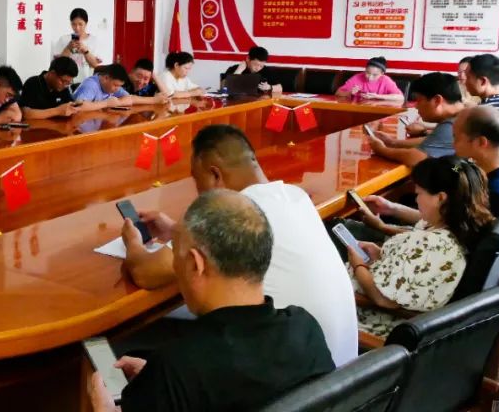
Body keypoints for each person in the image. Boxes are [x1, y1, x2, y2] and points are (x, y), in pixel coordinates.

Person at [121, 124, 357, 367]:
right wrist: (175, 231)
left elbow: (145, 273)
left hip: (289, 377)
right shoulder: (294, 196)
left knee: (158, 326)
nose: (198, 192)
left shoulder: (231, 212)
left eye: (197, 180)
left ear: (215, 175)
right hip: (343, 373)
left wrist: (132, 241)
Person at [90, 190, 334, 412]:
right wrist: (158, 386)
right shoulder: (306, 330)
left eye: (176, 256)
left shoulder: (178, 369)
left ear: (195, 264)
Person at [347, 156, 494, 338]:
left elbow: (382, 299)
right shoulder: (452, 228)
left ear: (440, 198)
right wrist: (381, 255)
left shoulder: (434, 245)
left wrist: (358, 264)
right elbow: (411, 268)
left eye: (419, 194)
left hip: (368, 319)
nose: (416, 200)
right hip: (372, 294)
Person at [366, 72, 463, 167]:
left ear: (437, 100)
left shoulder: (455, 124)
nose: (416, 106)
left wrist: (382, 150)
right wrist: (392, 142)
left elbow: (416, 158)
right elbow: (433, 140)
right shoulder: (462, 116)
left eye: (419, 100)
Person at [452, 105, 499, 216]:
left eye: (456, 137)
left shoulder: (489, 196)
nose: (453, 144)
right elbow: (456, 168)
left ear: (481, 142)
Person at [52, 8, 103, 81]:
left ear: (86, 23)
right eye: (74, 24)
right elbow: (57, 64)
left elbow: (95, 65)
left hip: (86, 81)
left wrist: (85, 51)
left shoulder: (93, 40)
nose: (77, 28)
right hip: (66, 81)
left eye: (80, 24)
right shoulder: (64, 39)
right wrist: (68, 48)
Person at [335, 57, 405, 101]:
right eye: (367, 72)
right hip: (359, 109)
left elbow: (401, 98)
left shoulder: (386, 80)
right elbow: (338, 93)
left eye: (375, 75)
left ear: (382, 73)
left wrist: (377, 96)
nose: (370, 77)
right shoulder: (357, 77)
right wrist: (350, 92)